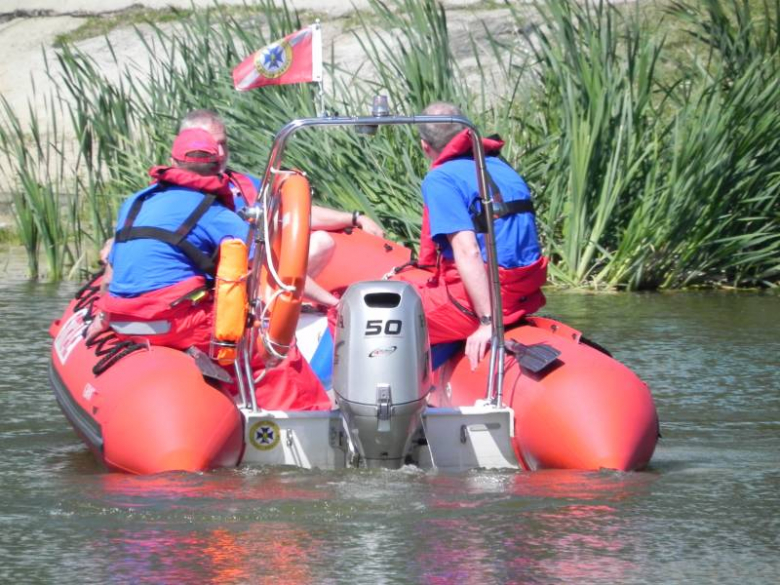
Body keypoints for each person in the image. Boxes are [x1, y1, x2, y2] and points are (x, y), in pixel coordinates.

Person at [91, 127, 330, 411]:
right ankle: (306, 421)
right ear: (218, 165)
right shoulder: (211, 211)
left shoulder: (134, 202)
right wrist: (328, 300)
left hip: (121, 320)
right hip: (175, 323)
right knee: (271, 348)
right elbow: (268, 266)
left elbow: (112, 272)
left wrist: (101, 317)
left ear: (173, 161)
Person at [177, 109, 385, 308]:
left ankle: (285, 306)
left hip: (256, 270)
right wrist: (333, 303)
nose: (220, 153)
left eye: (223, 143)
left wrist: (356, 218)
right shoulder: (179, 196)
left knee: (322, 242)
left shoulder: (243, 184)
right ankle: (289, 304)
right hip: (216, 283)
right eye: (213, 145)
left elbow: (294, 214)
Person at [394, 102, 548, 370]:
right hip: (524, 294)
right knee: (407, 282)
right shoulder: (502, 168)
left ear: (424, 146)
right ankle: (429, 374)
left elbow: (469, 251)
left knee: (352, 317)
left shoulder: (441, 179)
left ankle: (327, 401)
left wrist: (487, 322)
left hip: (480, 303)